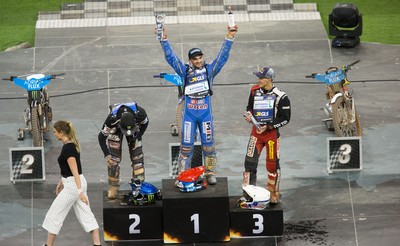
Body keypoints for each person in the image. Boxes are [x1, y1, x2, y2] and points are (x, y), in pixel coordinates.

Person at [158, 25, 238, 185]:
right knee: (186, 148)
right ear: (190, 60)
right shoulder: (184, 70)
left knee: (209, 147)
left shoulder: (209, 70)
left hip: (205, 115)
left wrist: (229, 37)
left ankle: (210, 173)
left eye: (200, 57)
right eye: (195, 59)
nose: (198, 60)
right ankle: (183, 175)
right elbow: (171, 58)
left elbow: (222, 57)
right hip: (189, 115)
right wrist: (163, 40)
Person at [42, 120, 101, 246]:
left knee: (54, 215)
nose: (54, 134)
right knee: (87, 216)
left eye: (55, 132)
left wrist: (80, 192)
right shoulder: (71, 145)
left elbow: (74, 171)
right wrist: (61, 181)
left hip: (74, 186)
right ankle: (97, 244)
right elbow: (71, 169)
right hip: (75, 182)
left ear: (61, 133)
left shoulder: (68, 149)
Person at [242, 66, 291, 204]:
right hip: (255, 135)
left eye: (261, 78)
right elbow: (249, 108)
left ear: (269, 80)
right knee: (249, 164)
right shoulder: (253, 91)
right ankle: (248, 193)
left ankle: (273, 193)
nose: (258, 80)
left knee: (272, 166)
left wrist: (268, 126)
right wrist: (248, 116)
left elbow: (286, 118)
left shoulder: (281, 97)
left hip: (271, 136)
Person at [98, 102, 149, 199]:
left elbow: (145, 123)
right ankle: (113, 186)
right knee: (113, 159)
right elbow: (101, 137)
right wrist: (107, 155)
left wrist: (138, 136)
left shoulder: (140, 114)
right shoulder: (111, 120)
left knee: (137, 158)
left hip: (135, 128)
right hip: (116, 129)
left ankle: (139, 185)